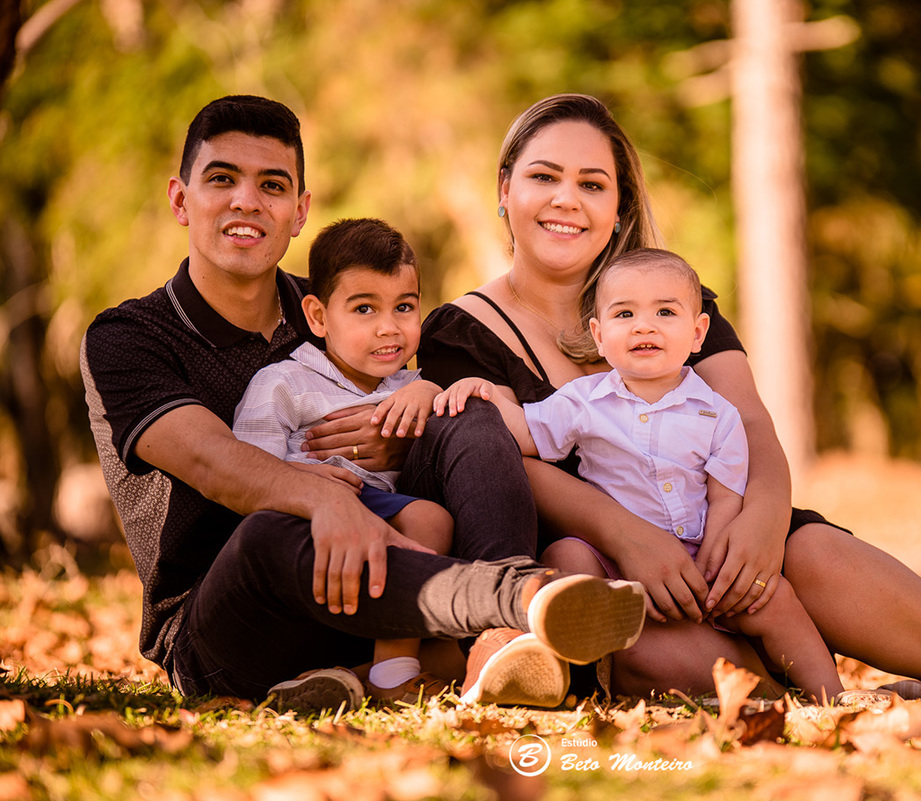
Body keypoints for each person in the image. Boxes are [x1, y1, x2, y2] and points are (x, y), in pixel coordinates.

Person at [410, 92, 921, 715]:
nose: (568, 199)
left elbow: (747, 415)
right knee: (623, 635)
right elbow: (503, 456)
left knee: (805, 549)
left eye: (593, 183)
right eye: (543, 176)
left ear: (618, 205)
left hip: (712, 522)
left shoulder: (670, 300)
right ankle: (826, 704)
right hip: (601, 561)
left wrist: (763, 515)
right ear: (505, 189)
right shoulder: (457, 333)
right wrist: (627, 534)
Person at [80, 94, 647, 712]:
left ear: (298, 213)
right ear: (180, 200)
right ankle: (525, 600)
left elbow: (410, 395)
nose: (246, 201)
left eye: (271, 185)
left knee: (467, 415)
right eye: (222, 179)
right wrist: (326, 498)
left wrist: (421, 411)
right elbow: (214, 461)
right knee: (271, 530)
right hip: (236, 616)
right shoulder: (129, 337)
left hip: (383, 590)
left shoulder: (345, 301)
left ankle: (495, 647)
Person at [436, 248, 844, 702]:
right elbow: (527, 433)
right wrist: (483, 393)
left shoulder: (716, 412)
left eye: (664, 312)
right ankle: (587, 652)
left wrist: (714, 556)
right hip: (614, 557)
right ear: (599, 333)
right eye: (624, 313)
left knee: (777, 599)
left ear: (697, 333)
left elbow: (726, 494)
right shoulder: (582, 401)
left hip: (699, 552)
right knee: (565, 555)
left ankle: (830, 697)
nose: (643, 326)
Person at [232, 217, 459, 704]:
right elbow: (248, 465)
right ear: (317, 317)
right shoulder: (285, 382)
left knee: (455, 655)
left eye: (404, 307)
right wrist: (302, 478)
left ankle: (358, 675)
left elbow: (449, 423)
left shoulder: (409, 385)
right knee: (428, 517)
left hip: (383, 525)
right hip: (309, 522)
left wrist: (428, 389)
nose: (388, 327)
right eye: (364, 309)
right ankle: (395, 672)